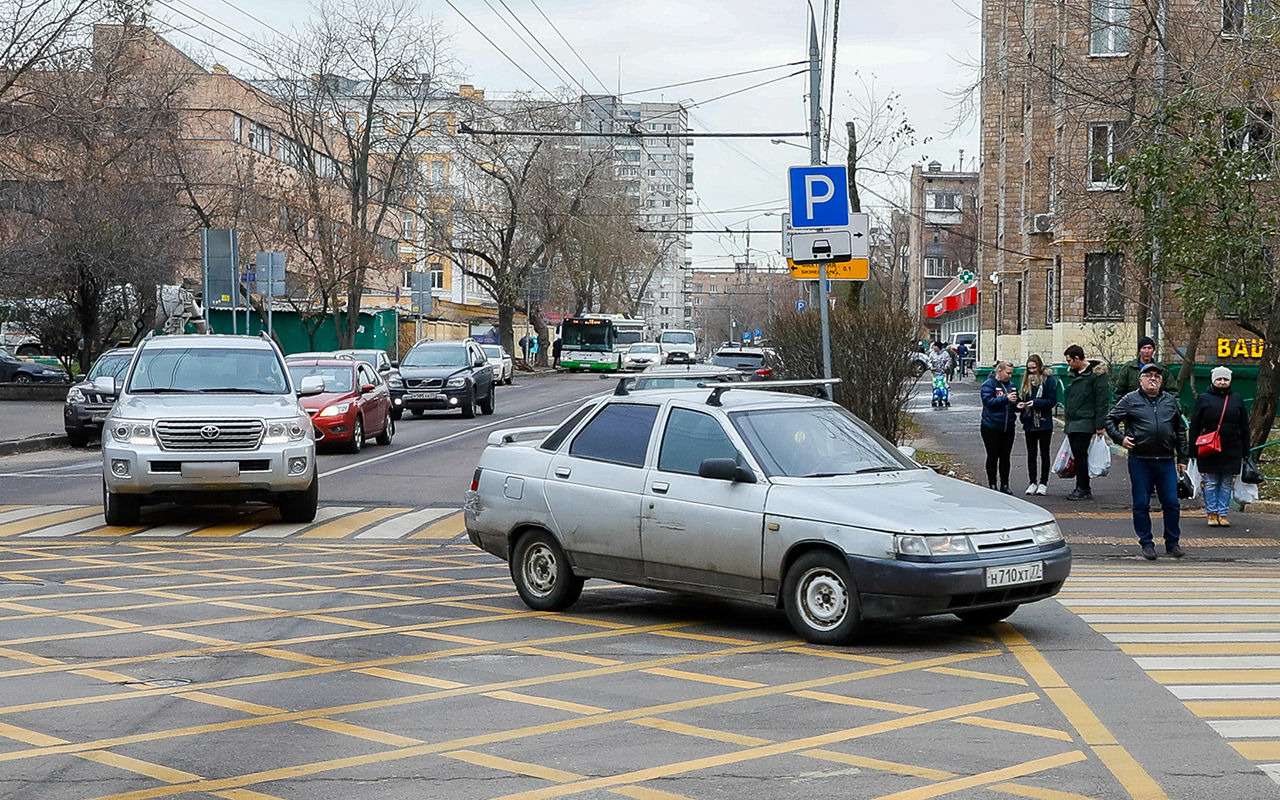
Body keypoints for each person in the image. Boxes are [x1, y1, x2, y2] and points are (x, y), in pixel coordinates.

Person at [1106, 363, 1189, 559]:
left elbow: (1180, 430)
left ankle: (1172, 542)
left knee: (1171, 502)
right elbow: (1110, 420)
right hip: (1140, 460)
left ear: (1161, 380)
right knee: (1142, 503)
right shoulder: (1130, 400)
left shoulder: (1170, 401)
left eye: (1157, 376)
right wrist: (1121, 438)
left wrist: (1183, 457)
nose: (1153, 379)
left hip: (1166, 460)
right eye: (1149, 375)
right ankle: (1146, 542)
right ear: (1140, 379)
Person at [1188, 366, 1251, 527]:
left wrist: (1246, 449)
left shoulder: (1236, 399)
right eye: (1219, 379)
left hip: (1232, 448)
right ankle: (1211, 513)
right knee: (1210, 482)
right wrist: (1192, 450)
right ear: (1213, 380)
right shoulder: (1204, 399)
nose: (1222, 382)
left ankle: (1223, 514)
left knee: (1226, 483)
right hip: (1209, 448)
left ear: (1229, 381)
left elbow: (1244, 426)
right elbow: (1195, 425)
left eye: (1225, 379)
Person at [1062, 344, 1111, 501]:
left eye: (1070, 360)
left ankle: (1083, 487)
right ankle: (1081, 486)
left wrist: (1099, 425)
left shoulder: (1095, 376)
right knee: (1078, 454)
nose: (1068, 364)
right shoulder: (1074, 374)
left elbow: (1101, 401)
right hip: (1073, 420)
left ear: (1077, 359)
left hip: (1085, 420)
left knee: (1080, 454)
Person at [1018, 354, 1059, 496]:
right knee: (1031, 453)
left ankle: (1043, 482)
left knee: (1044, 453)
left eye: (1034, 368)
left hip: (1044, 422)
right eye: (1029, 369)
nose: (1032, 371)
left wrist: (1035, 403)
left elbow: (1052, 401)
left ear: (1040, 367)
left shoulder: (1048, 380)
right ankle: (1032, 482)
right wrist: (1021, 405)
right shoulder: (1025, 381)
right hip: (1029, 422)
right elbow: (1021, 398)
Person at [980, 361, 1019, 493]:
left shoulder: (1012, 386)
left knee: (1005, 456)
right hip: (991, 426)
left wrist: (1018, 405)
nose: (1010, 376)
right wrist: (1006, 399)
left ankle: (1005, 484)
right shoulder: (988, 385)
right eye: (1008, 373)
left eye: (1011, 373)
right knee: (992, 455)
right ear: (1000, 371)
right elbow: (988, 402)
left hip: (1008, 426)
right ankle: (992, 484)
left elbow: (1013, 403)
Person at [1114, 336, 1177, 402]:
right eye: (1144, 348)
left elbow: (1173, 392)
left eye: (1149, 348)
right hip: (1133, 407)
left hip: (1156, 406)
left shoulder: (1162, 369)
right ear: (1139, 351)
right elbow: (1118, 393)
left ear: (1153, 350)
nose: (1147, 351)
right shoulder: (1128, 368)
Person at [927, 341, 953, 408]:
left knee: (944, 386)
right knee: (935, 386)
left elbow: (949, 360)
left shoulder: (945, 354)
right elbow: (929, 361)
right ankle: (935, 398)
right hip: (935, 373)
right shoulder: (932, 354)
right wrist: (931, 367)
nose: (934, 348)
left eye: (935, 346)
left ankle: (944, 399)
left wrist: (946, 367)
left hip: (943, 373)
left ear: (938, 347)